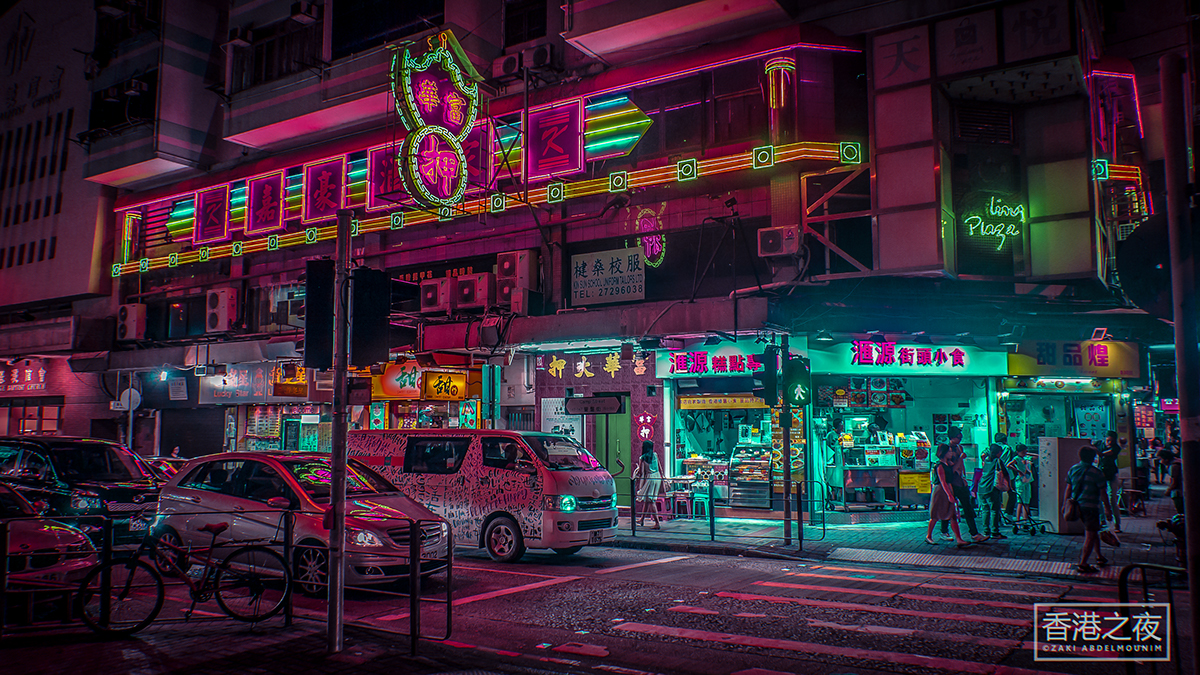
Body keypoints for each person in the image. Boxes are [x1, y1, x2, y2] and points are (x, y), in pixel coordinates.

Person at [939, 427, 988, 543]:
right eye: (958, 437)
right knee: (949, 508)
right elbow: (951, 469)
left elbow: (961, 466)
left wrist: (964, 477)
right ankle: (944, 531)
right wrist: (960, 459)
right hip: (952, 482)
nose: (960, 440)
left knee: (968, 507)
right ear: (952, 437)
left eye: (961, 437)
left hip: (960, 482)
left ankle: (974, 533)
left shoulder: (959, 447)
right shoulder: (947, 449)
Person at [1064, 445, 1107, 574]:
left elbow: (1068, 489)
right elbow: (1103, 493)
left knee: (1093, 531)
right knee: (1090, 535)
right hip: (1091, 507)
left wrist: (1065, 504)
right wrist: (1108, 509)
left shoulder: (1073, 469)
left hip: (1078, 506)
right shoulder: (1097, 472)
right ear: (1093, 458)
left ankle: (1099, 556)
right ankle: (1083, 564)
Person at [926, 444, 972, 547]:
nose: (951, 453)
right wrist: (949, 495)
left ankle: (959, 538)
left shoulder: (947, 464)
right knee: (935, 515)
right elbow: (943, 481)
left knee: (953, 515)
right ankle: (929, 536)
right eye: (949, 452)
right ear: (944, 453)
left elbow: (953, 471)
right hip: (941, 491)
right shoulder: (939, 465)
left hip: (948, 489)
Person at [978, 444, 1008, 539]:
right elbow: (1005, 473)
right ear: (998, 452)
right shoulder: (998, 461)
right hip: (992, 488)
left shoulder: (986, 460)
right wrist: (1008, 485)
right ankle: (995, 532)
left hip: (982, 488)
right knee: (995, 510)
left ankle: (986, 531)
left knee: (985, 510)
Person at [1097, 431, 1123, 533]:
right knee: (1099, 498)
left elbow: (1103, 454)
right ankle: (1102, 521)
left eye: (1112, 441)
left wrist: (1094, 449)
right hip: (1101, 473)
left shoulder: (1116, 448)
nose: (1110, 443)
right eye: (1108, 440)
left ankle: (1117, 524)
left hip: (1111, 474)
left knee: (1112, 499)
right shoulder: (1099, 444)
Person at [634, 440, 662, 529]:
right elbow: (659, 467)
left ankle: (657, 523)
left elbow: (641, 472)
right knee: (647, 499)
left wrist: (637, 469)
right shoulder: (655, 455)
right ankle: (642, 519)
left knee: (651, 501)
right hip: (657, 477)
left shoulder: (642, 458)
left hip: (650, 478)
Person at [1007, 444, 1034, 525]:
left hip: (1027, 480)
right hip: (1020, 480)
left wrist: (1027, 453)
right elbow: (1009, 465)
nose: (1024, 453)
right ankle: (1018, 520)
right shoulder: (1017, 458)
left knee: (1026, 501)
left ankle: (1025, 520)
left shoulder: (1026, 458)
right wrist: (1018, 471)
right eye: (1023, 452)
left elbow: (1036, 456)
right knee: (1020, 501)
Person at [1161, 449, 1184, 514]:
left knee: (1181, 511)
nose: (1161, 462)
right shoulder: (1179, 461)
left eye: (1161, 459)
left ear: (1166, 459)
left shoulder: (1174, 466)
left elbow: (1174, 482)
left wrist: (1168, 491)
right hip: (1184, 490)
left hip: (1179, 492)